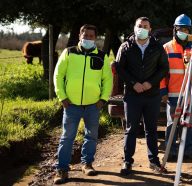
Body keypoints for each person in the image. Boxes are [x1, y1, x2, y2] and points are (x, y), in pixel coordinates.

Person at [53, 24, 113, 184]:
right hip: (71, 105)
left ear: (96, 38)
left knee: (91, 136)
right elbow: (58, 75)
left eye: (91, 36)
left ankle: (87, 164)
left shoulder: (101, 56)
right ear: (80, 36)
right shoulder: (69, 53)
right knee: (67, 137)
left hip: (93, 106)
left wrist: (103, 99)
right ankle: (62, 170)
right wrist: (62, 97)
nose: (87, 38)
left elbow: (107, 79)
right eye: (85, 35)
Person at [115, 17, 169, 175]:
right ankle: (127, 162)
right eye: (139, 26)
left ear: (150, 29)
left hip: (152, 95)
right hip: (132, 95)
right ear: (134, 28)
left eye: (145, 26)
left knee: (151, 129)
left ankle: (154, 161)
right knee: (131, 129)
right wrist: (133, 83)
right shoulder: (125, 46)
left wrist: (150, 83)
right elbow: (119, 68)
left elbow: (164, 68)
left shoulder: (158, 47)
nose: (142, 28)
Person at [160, 14, 192, 161]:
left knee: (189, 123)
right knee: (172, 123)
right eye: (180, 29)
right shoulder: (166, 48)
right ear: (175, 30)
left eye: (186, 29)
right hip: (172, 93)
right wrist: (163, 90)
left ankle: (189, 150)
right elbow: (161, 73)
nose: (183, 32)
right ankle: (171, 151)